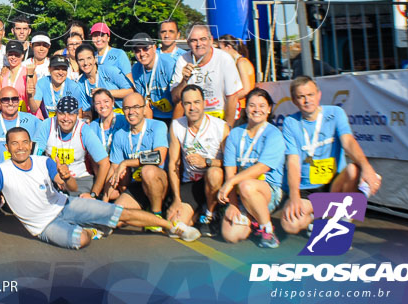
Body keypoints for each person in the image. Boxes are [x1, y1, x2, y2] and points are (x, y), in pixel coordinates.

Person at [0, 127, 199, 251]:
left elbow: (71, 187)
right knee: (80, 240)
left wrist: (66, 176)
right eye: (14, 144)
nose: (19, 147)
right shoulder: (2, 172)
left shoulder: (45, 161)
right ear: (8, 147)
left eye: (24, 143)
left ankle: (173, 227)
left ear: (30, 144)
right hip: (43, 226)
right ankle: (93, 229)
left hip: (66, 204)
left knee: (120, 213)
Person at [280, 76, 381, 236]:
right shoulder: (290, 123)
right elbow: (293, 162)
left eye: (311, 95)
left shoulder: (335, 113)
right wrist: (294, 197)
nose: (307, 100)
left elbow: (348, 142)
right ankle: (329, 214)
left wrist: (367, 168)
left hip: (334, 185)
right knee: (290, 224)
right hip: (308, 189)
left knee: (353, 170)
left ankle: (336, 220)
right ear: (294, 100)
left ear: (319, 95)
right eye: (301, 96)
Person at [218, 87, 285, 248]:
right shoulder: (235, 134)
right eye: (252, 105)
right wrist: (233, 204)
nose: (257, 110)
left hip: (268, 190)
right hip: (242, 192)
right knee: (231, 235)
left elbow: (262, 168)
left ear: (269, 109)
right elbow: (230, 170)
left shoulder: (273, 134)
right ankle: (253, 217)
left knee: (246, 184)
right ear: (246, 108)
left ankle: (267, 230)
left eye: (262, 106)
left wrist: (230, 183)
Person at [167, 85, 227, 236]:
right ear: (182, 105)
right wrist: (177, 199)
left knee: (214, 173)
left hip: (215, 181)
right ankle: (198, 211)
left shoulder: (220, 127)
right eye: (187, 103)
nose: (192, 107)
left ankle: (210, 214)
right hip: (192, 183)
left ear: (204, 103)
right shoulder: (176, 126)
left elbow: (230, 164)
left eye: (196, 102)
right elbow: (173, 164)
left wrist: (207, 162)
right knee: (174, 226)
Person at [106, 92, 169, 226]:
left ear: (144, 108)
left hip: (158, 183)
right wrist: (103, 203)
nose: (131, 112)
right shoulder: (120, 135)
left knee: (148, 171)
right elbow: (114, 169)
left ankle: (156, 214)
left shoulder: (158, 126)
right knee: (114, 218)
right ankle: (145, 211)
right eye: (127, 108)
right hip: (137, 185)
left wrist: (127, 162)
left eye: (136, 107)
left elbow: (159, 157)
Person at [33, 96, 109, 198]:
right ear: (56, 113)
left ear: (77, 115)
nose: (66, 118)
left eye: (71, 114)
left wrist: (93, 194)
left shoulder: (84, 130)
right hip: (53, 177)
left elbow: (104, 163)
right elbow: (35, 156)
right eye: (61, 113)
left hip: (79, 179)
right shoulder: (47, 125)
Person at [170, 24, 244, 127]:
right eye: (194, 40)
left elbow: (232, 97)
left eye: (203, 39)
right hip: (196, 116)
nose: (199, 44)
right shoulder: (182, 60)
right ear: (188, 43)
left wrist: (227, 130)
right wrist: (184, 80)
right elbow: (175, 98)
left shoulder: (224, 59)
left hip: (223, 113)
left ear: (211, 40)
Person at [0, 85, 40, 167]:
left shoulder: (31, 119)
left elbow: (50, 129)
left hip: (24, 170)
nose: (10, 103)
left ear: (19, 101)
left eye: (14, 99)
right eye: (6, 100)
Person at [127, 33, 177, 123]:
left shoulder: (168, 64)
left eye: (145, 48)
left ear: (154, 48)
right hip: (153, 114)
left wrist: (174, 127)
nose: (142, 53)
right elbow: (143, 101)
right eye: (137, 50)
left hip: (174, 115)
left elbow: (179, 100)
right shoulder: (136, 69)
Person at [76, 44, 133, 110]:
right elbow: (87, 111)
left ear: (94, 59)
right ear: (77, 62)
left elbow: (131, 91)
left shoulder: (109, 70)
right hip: (102, 117)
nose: (85, 63)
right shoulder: (80, 83)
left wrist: (106, 92)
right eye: (81, 60)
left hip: (125, 112)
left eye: (89, 58)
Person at [28, 55, 87, 120]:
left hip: (67, 122)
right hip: (47, 123)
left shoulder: (73, 86)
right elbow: (34, 109)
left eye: (64, 69)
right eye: (57, 69)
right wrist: (30, 97)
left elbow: (79, 114)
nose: (60, 73)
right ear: (49, 69)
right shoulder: (41, 83)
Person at [90, 22, 134, 96]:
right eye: (95, 36)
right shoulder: (91, 57)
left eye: (102, 35)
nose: (98, 39)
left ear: (108, 38)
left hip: (119, 104)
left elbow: (131, 87)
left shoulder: (119, 54)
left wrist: (105, 93)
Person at [84, 88, 128, 155]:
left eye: (106, 101)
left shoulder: (124, 121)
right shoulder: (92, 126)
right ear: (94, 107)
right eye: (98, 103)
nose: (102, 106)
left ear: (112, 102)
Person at [0, 40, 31, 113]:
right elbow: (1, 99)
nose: (13, 57)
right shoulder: (3, 75)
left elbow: (33, 97)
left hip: (27, 114)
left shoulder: (28, 72)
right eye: (10, 54)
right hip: (10, 114)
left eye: (16, 55)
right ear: (6, 55)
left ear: (22, 56)